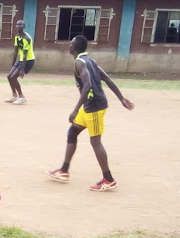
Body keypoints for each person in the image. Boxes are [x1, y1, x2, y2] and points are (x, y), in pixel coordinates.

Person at [46, 35, 134, 192]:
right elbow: (106, 78)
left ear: (74, 47)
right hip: (89, 106)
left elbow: (87, 86)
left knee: (95, 142)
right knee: (72, 132)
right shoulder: (90, 60)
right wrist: (120, 98)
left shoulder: (79, 62)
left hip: (94, 106)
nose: (69, 46)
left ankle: (108, 179)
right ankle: (64, 170)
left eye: (71, 44)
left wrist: (74, 109)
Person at [6, 20, 35, 105]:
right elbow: (15, 51)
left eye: (21, 25)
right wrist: (13, 64)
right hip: (21, 60)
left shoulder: (26, 38)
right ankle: (14, 95)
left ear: (24, 27)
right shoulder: (17, 37)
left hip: (28, 60)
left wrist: (22, 70)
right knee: (9, 76)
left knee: (14, 77)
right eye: (17, 24)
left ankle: (22, 97)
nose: (19, 26)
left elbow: (25, 55)